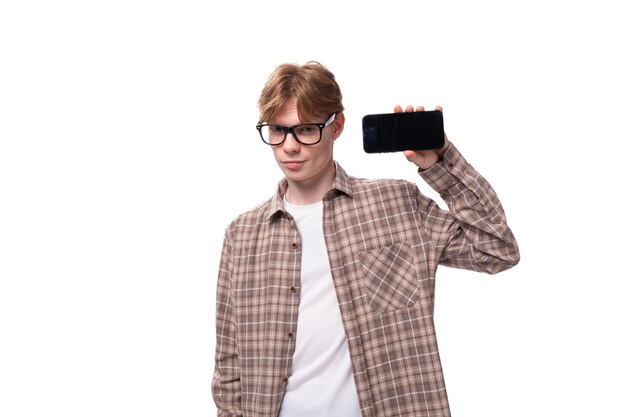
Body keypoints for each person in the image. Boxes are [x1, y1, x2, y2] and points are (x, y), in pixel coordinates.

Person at [211, 61, 520, 417]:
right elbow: (229, 363)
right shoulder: (242, 234)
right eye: (278, 130)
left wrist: (440, 163)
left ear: (336, 125)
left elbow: (496, 249)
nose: (289, 147)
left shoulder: (396, 205)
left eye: (306, 129)